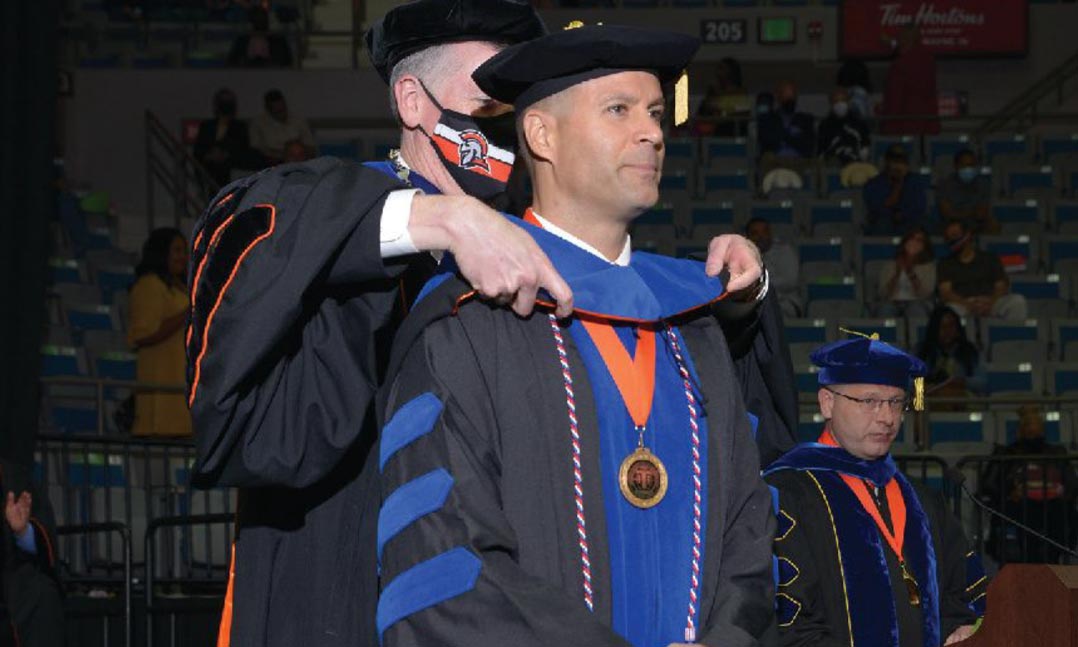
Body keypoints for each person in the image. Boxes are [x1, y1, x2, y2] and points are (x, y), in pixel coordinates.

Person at [186, 1, 771, 645]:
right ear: (413, 101)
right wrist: (439, 219)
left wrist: (735, 294)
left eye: (510, 103)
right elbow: (245, 241)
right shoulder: (347, 225)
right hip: (342, 582)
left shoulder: (542, 251)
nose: (502, 122)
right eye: (485, 96)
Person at [375, 24, 777, 646]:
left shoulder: (692, 326)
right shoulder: (468, 325)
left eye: (654, 112)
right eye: (618, 110)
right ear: (542, 136)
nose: (651, 132)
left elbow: (748, 536)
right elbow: (443, 563)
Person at [764, 335, 987, 647]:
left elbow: (961, 591)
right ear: (827, 403)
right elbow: (788, 619)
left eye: (896, 402)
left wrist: (959, 630)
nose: (887, 418)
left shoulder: (921, 500)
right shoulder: (788, 493)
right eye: (869, 401)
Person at [979, 404, 1078, 564]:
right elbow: (989, 484)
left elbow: (1071, 483)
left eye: (1036, 425)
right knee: (1024, 513)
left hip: (1054, 504)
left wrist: (1062, 493)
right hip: (1018, 504)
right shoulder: (1006, 453)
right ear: (1020, 429)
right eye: (1028, 425)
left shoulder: (1056, 452)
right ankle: (1030, 564)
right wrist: (1010, 492)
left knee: (1065, 514)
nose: (1033, 429)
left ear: (1042, 429)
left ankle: (1052, 561)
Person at [128, 228, 191, 437]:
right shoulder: (149, 285)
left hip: (180, 386)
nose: (183, 257)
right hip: (160, 392)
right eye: (177, 250)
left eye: (185, 251)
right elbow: (145, 334)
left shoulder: (180, 287)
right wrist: (189, 312)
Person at [0, 458, 63, 647]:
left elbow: (42, 544)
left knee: (41, 592)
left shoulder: (13, 480)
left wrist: (22, 531)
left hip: (6, 579)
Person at [937, 219, 1027, 321]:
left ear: (967, 235)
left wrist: (990, 302)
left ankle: (1011, 335)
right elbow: (946, 292)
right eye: (948, 237)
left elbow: (1001, 286)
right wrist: (968, 304)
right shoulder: (945, 263)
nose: (951, 240)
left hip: (990, 301)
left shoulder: (990, 258)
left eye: (955, 235)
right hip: (962, 304)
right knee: (949, 310)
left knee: (1017, 301)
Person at [917, 305, 986, 405]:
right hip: (929, 399)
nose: (947, 331)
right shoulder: (922, 351)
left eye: (951, 326)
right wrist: (923, 386)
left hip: (958, 399)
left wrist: (963, 382)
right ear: (934, 329)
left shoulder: (970, 352)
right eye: (943, 327)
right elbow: (908, 381)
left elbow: (982, 382)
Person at [879, 25, 939, 136]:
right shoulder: (928, 59)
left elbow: (895, 101)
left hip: (904, 127)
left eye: (899, 37)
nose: (897, 39)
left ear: (904, 39)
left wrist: (887, 125)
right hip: (928, 126)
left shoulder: (899, 66)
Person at [194, 88, 256, 187]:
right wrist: (209, 155)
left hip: (231, 169)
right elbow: (198, 149)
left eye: (228, 102)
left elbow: (244, 149)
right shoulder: (206, 126)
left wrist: (226, 154)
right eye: (223, 101)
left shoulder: (240, 127)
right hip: (208, 170)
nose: (225, 105)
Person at [863, 143, 927, 236]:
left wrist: (903, 215)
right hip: (883, 221)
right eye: (894, 161)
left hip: (909, 221)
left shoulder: (915, 181)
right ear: (887, 162)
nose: (898, 165)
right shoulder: (874, 184)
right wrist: (899, 182)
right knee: (883, 224)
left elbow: (919, 207)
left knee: (924, 224)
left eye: (901, 161)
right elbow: (879, 208)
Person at [746, 217, 801, 318]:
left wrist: (759, 283)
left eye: (765, 232)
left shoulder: (785, 251)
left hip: (784, 302)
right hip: (753, 304)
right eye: (755, 233)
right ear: (748, 238)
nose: (761, 236)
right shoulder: (742, 256)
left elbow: (790, 281)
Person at [876, 227, 936, 318]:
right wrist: (897, 274)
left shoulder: (928, 267)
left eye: (919, 240)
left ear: (924, 246)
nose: (914, 242)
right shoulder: (890, 265)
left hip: (917, 303)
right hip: (893, 302)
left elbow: (926, 294)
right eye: (912, 238)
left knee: (916, 310)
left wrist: (910, 273)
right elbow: (883, 293)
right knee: (885, 310)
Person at [757, 80, 815, 174]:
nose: (790, 99)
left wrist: (783, 135)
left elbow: (808, 146)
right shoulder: (768, 119)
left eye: (792, 96)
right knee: (767, 159)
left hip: (798, 161)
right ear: (778, 96)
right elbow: (767, 140)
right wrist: (792, 137)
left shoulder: (806, 120)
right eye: (786, 95)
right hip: (774, 160)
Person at [937, 149, 997, 234]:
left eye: (972, 165)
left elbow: (982, 212)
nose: (969, 168)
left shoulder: (983, 184)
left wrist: (962, 213)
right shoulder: (944, 185)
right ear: (956, 166)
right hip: (952, 223)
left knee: (993, 225)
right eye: (964, 165)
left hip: (975, 223)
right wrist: (971, 213)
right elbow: (947, 213)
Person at [249, 89, 315, 165]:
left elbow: (311, 146)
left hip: (300, 161)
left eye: (283, 109)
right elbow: (256, 149)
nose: (281, 113)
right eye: (277, 111)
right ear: (268, 109)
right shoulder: (258, 123)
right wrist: (282, 156)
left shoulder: (299, 120)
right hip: (270, 164)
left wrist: (299, 156)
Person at [694, 57, 750, 137]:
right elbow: (703, 111)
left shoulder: (740, 92)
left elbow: (741, 113)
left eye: (722, 68)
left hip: (733, 133)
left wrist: (720, 110)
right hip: (713, 135)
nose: (717, 72)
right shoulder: (713, 92)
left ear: (731, 72)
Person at [817, 87, 870, 167]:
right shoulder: (824, 125)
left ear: (848, 102)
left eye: (843, 101)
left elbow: (866, 144)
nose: (840, 104)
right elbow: (821, 149)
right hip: (832, 164)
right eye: (836, 101)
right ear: (831, 104)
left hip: (856, 164)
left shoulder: (859, 123)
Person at [227, 6, 293, 68]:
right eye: (256, 18)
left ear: (267, 21)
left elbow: (287, 63)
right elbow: (232, 63)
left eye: (262, 18)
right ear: (251, 22)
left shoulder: (279, 41)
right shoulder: (241, 41)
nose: (260, 21)